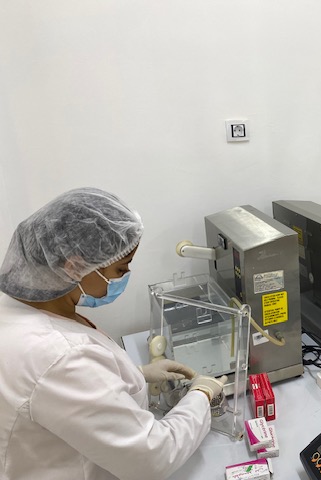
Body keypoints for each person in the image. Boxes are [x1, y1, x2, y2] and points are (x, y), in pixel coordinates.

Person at [0, 187, 227, 480]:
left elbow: (73, 391)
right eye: (121, 269)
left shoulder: (19, 306)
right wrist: (201, 395)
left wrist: (136, 374)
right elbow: (153, 457)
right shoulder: (58, 356)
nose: (125, 277)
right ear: (75, 267)